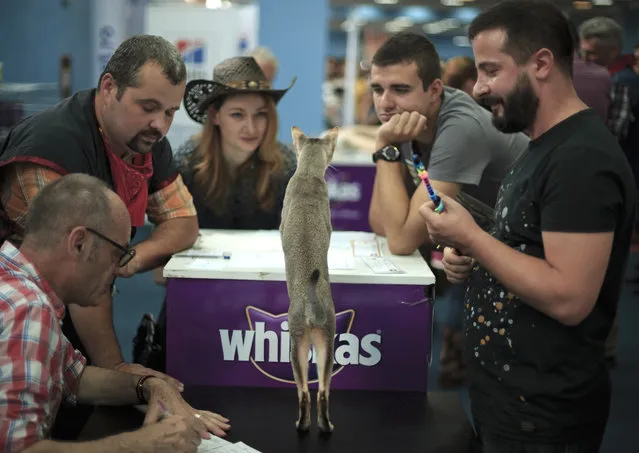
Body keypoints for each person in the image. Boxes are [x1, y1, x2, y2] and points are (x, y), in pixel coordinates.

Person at [420, 1, 636, 451]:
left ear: (540, 63)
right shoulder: (541, 145)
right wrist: (476, 253)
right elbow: (529, 247)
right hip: (510, 399)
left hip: (543, 413)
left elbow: (570, 297)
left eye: (491, 70)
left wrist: (473, 239)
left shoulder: (581, 161)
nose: (478, 89)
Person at [0, 34, 198, 438]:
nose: (160, 124)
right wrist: (117, 371)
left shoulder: (143, 140)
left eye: (170, 112)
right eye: (148, 107)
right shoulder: (49, 149)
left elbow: (183, 221)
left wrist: (128, 259)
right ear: (109, 88)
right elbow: (78, 268)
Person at [0, 173, 230, 453]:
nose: (118, 270)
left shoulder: (15, 284)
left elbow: (74, 378)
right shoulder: (28, 310)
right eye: (117, 254)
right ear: (79, 243)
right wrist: (142, 444)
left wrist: (149, 385)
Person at [366, 32, 528, 386]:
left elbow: (402, 239)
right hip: (486, 243)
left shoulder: (460, 129)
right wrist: (389, 148)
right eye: (378, 89)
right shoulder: (409, 124)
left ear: (435, 90)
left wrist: (384, 147)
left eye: (400, 89)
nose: (386, 103)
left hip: (536, 248)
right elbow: (381, 223)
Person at [178, 56, 296, 230]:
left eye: (260, 114)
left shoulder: (285, 166)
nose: (251, 128)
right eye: (237, 115)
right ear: (215, 116)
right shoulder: (187, 164)